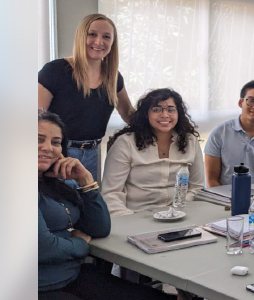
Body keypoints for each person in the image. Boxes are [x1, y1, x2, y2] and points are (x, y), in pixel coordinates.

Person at [38, 110, 172, 300]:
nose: (48, 148)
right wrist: (80, 244)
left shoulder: (58, 182)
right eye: (38, 139)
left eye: (55, 142)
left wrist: (86, 181)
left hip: (72, 277)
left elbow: (100, 228)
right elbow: (44, 248)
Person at [39, 14, 134, 181]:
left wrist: (162, 117)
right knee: (62, 206)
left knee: (89, 204)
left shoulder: (113, 77)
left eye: (106, 37)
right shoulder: (54, 71)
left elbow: (128, 113)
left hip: (92, 154)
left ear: (113, 42)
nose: (99, 42)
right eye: (92, 34)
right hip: (58, 155)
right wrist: (54, 153)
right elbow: (37, 119)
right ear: (81, 36)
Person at [101, 88, 205, 216]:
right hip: (136, 216)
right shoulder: (126, 143)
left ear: (179, 113)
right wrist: (128, 220)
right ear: (146, 114)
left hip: (180, 214)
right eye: (157, 109)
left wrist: (179, 209)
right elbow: (111, 194)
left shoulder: (190, 141)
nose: (165, 115)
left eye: (171, 110)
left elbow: (197, 187)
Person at [204, 80, 254, 187]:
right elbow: (212, 181)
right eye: (251, 101)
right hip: (225, 199)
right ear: (240, 103)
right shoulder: (219, 134)